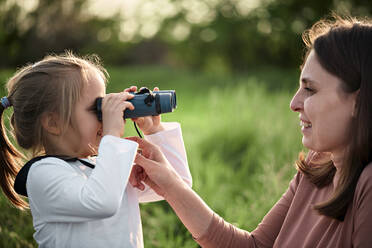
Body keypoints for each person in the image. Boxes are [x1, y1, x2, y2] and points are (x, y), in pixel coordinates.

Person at [128, 14, 372, 247]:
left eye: (310, 89)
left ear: (358, 101)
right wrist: (169, 183)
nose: (294, 103)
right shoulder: (317, 163)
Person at [0, 52, 192, 248]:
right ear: (53, 123)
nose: (106, 115)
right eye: (97, 108)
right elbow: (101, 202)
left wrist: (154, 130)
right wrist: (112, 137)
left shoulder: (101, 167)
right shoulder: (43, 174)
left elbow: (178, 185)